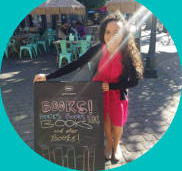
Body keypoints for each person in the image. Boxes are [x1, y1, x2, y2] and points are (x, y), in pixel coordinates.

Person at [34, 12, 143, 161]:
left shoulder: (127, 53)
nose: (111, 36)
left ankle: (116, 145)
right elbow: (76, 64)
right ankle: (109, 144)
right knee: (105, 121)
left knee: (117, 123)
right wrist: (48, 76)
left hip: (117, 93)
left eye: (116, 33)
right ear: (103, 33)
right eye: (108, 32)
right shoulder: (97, 49)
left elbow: (135, 81)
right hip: (97, 92)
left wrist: (111, 86)